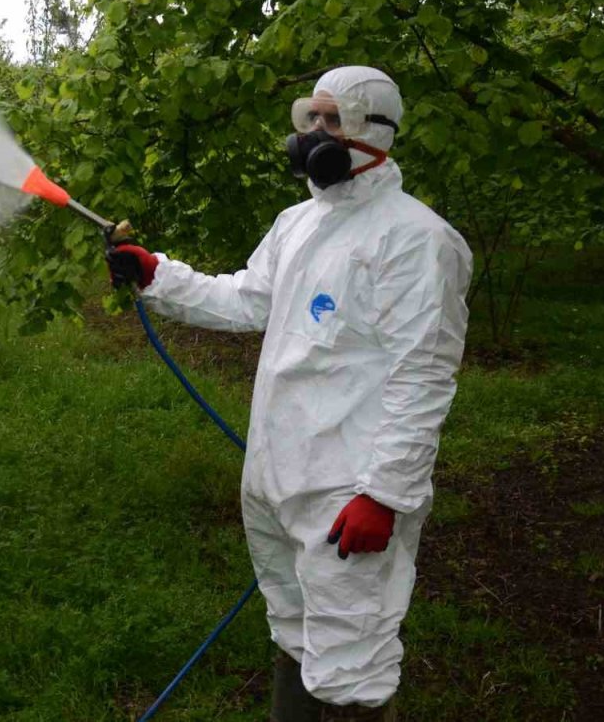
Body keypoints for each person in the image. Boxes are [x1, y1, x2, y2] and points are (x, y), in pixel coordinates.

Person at [107, 66, 472, 721]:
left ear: (374, 132)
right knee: (294, 634)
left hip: (348, 493)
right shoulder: (298, 222)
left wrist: (384, 493)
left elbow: (423, 374)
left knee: (353, 662)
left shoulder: (418, 240)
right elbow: (247, 298)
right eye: (312, 119)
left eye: (333, 122)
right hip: (277, 479)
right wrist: (157, 273)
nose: (313, 135)